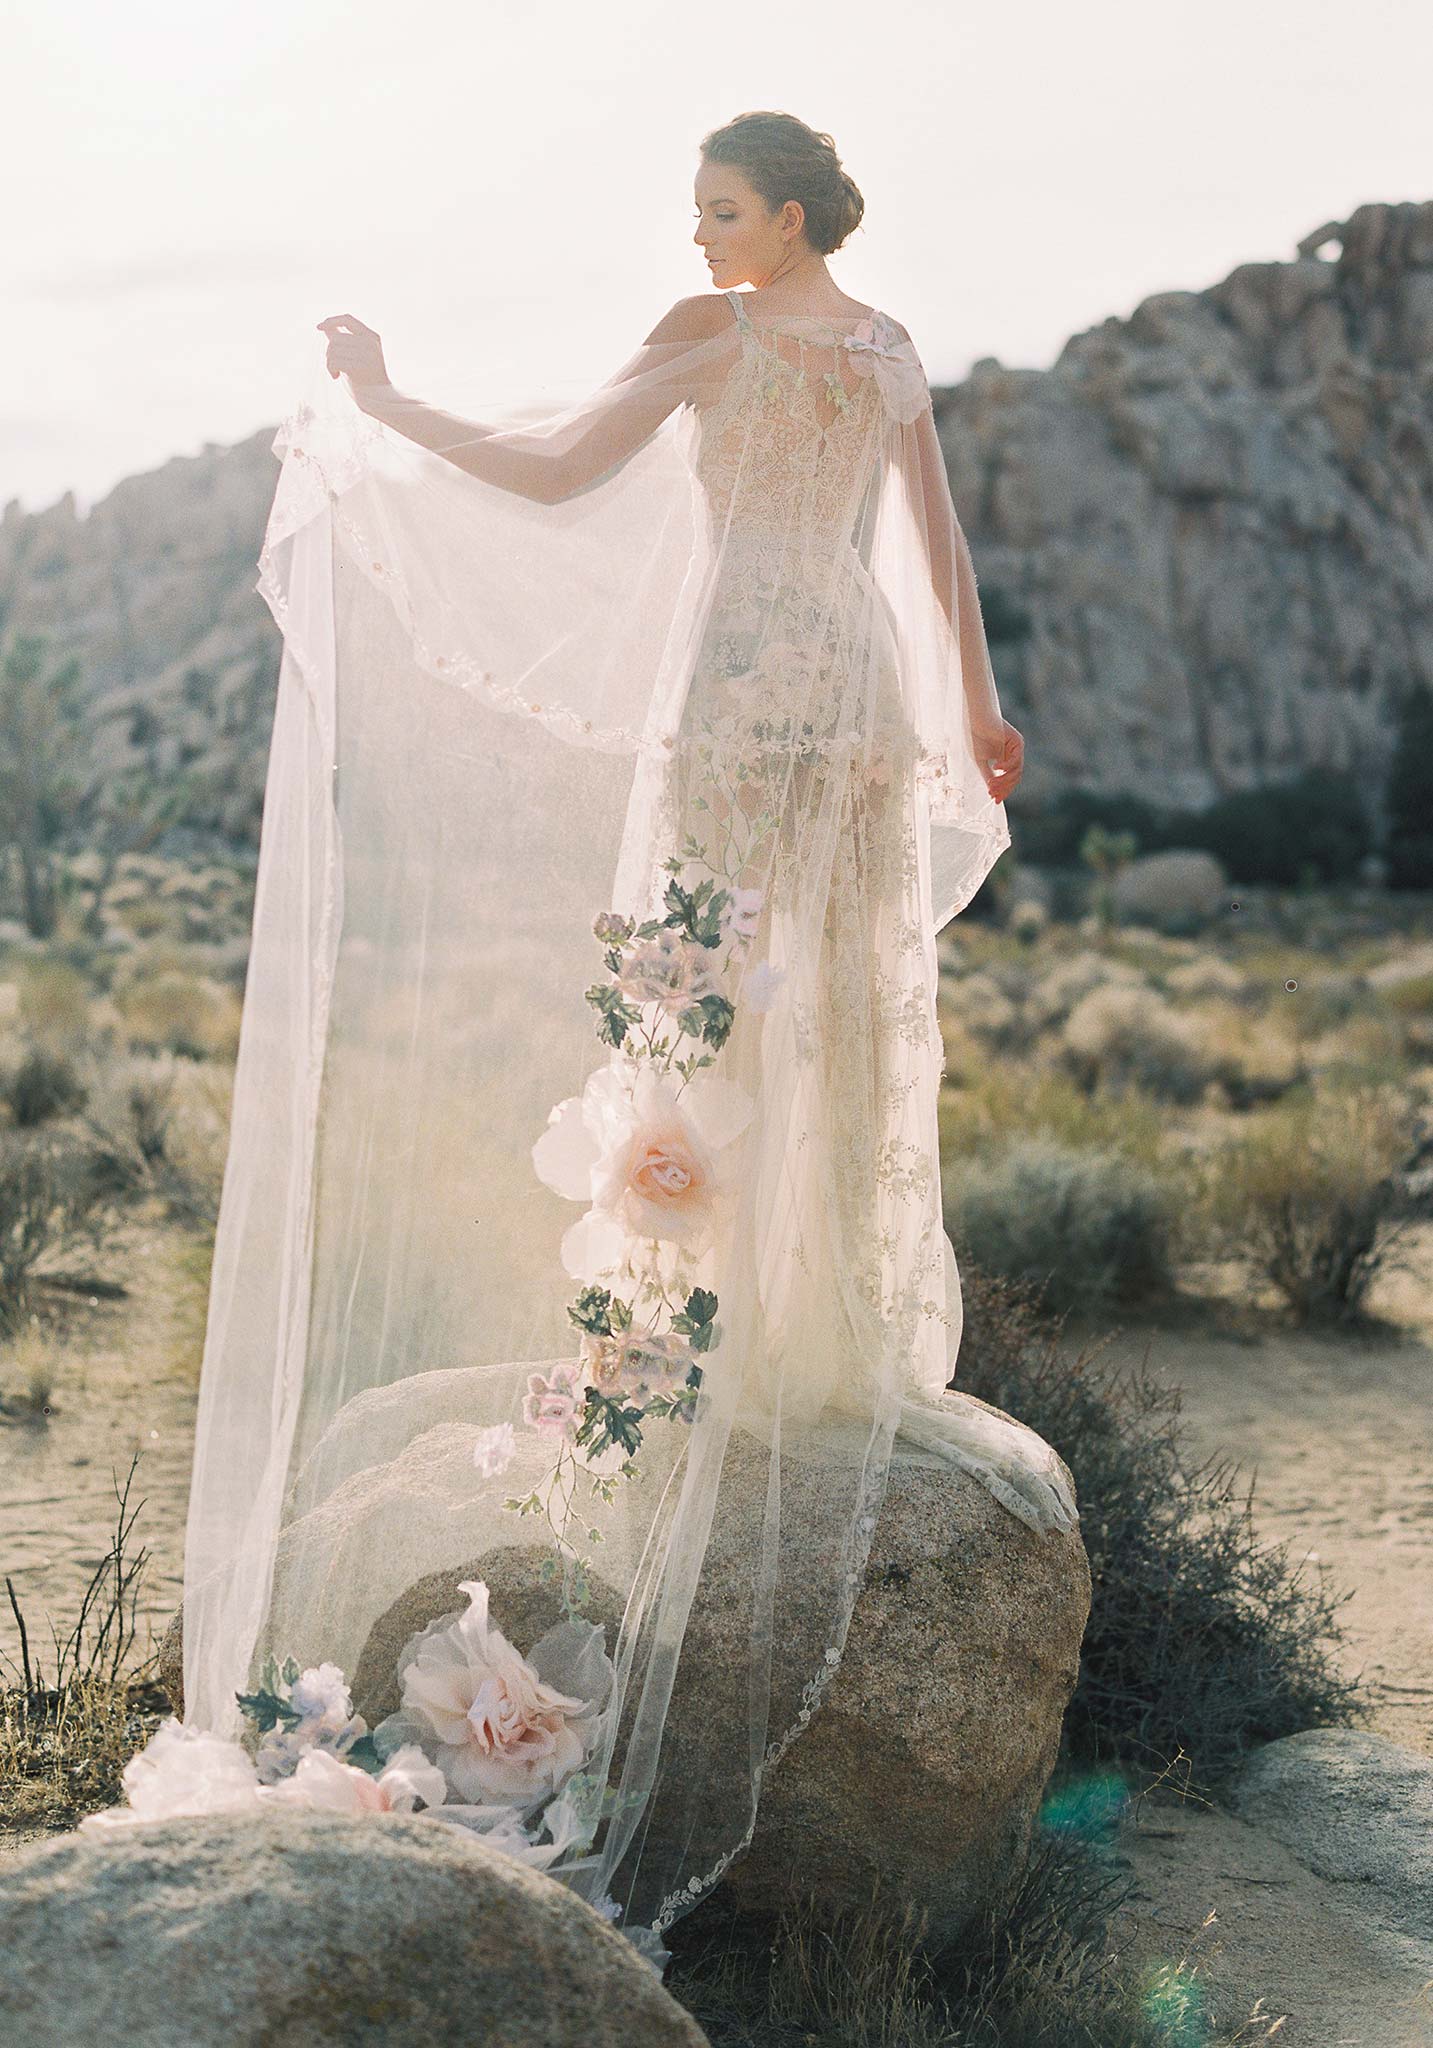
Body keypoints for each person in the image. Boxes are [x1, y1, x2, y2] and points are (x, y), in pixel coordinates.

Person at [102, 109, 1079, 1978]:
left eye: (720, 208)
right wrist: (975, 709)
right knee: (827, 1020)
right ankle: (825, 1320)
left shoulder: (716, 337)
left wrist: (384, 400)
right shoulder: (878, 350)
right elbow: (937, 555)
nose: (696, 232)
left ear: (787, 216)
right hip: (855, 690)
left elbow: (551, 477)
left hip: (739, 683)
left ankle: (709, 1323)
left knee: (712, 1006)